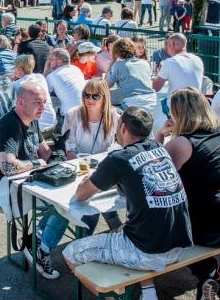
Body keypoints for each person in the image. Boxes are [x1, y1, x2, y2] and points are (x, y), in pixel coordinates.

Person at [63, 107, 193, 300]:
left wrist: (90, 178)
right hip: (181, 244)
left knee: (70, 252)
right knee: (127, 229)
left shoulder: (118, 158)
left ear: (123, 128)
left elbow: (82, 195)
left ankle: (110, 296)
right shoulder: (160, 150)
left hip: (147, 252)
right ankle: (149, 295)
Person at [0, 82, 63, 278]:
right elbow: (7, 167)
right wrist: (37, 164)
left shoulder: (32, 119)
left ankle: (34, 240)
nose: (43, 107)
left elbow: (44, 152)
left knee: (71, 199)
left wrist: (61, 155)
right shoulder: (10, 124)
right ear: (21, 102)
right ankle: (37, 245)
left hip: (28, 182)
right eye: (37, 102)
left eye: (44, 102)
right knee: (64, 207)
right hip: (6, 189)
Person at [155, 88, 220, 300]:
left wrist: (158, 135)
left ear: (179, 114)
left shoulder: (180, 144)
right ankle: (209, 278)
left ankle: (208, 272)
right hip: (215, 214)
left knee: (164, 223)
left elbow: (152, 174)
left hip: (205, 223)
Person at [107, 38, 157, 111]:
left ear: (116, 52)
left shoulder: (118, 65)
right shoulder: (145, 63)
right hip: (153, 101)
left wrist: (113, 61)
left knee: (109, 107)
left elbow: (106, 85)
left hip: (132, 105)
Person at [153, 33, 204, 102]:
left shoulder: (170, 62)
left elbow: (155, 88)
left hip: (176, 106)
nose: (166, 48)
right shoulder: (198, 60)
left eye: (167, 44)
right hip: (196, 104)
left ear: (172, 44)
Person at [12, 54, 56, 132]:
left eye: (14, 67)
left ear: (20, 69)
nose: (13, 70)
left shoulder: (16, 84)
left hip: (37, 129)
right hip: (52, 122)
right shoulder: (40, 77)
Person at [44, 48, 86, 121]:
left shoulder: (52, 76)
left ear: (59, 62)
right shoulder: (76, 69)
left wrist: (46, 70)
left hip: (69, 115)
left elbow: (42, 91)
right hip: (86, 110)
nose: (49, 62)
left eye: (51, 59)